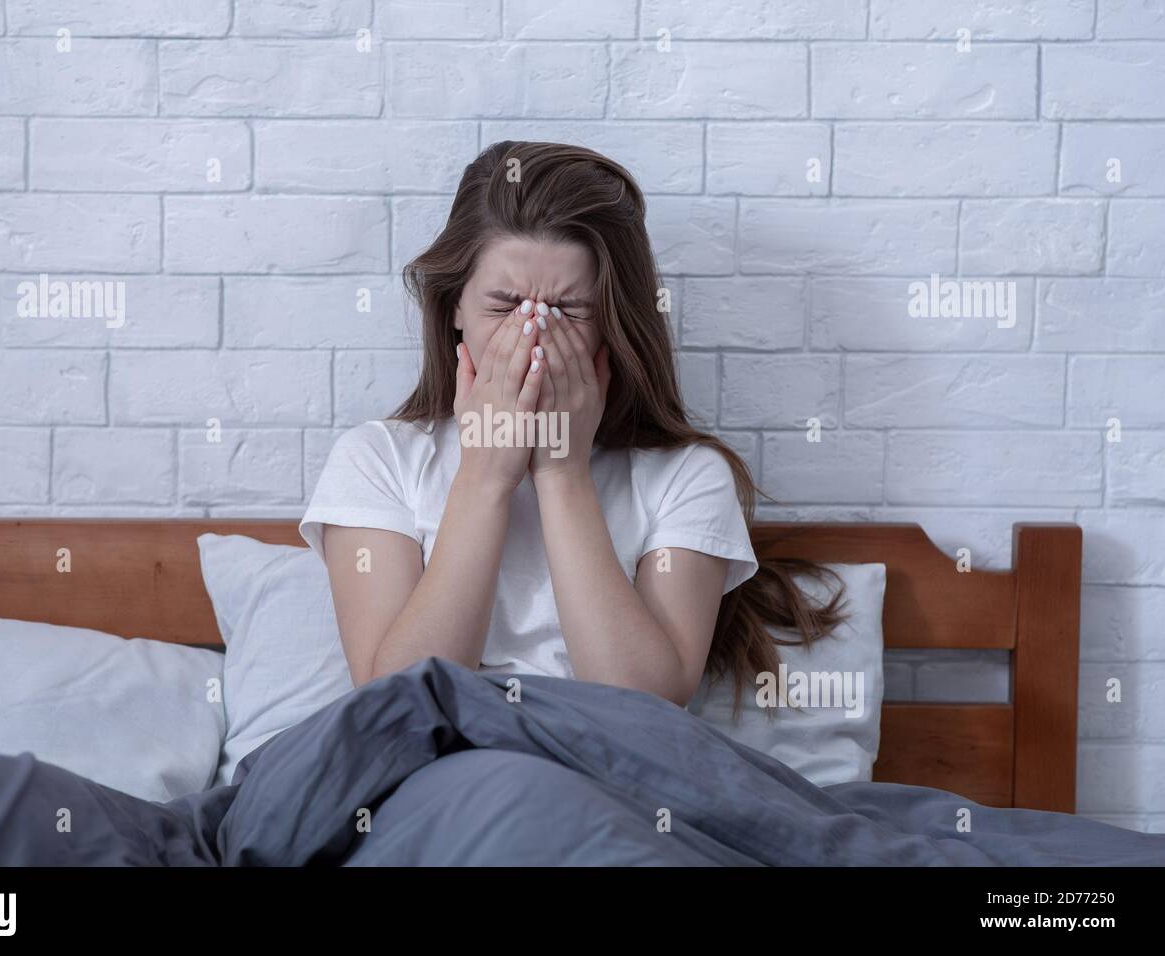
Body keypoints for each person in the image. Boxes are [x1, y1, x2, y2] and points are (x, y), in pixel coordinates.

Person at [299, 141, 841, 712]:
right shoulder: (377, 460)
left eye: (569, 313)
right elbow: (399, 703)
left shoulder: (687, 477)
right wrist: (485, 476)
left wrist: (562, 471)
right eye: (505, 307)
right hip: (445, 780)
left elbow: (646, 706)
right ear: (454, 305)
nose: (533, 336)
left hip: (602, 780)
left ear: (612, 323)